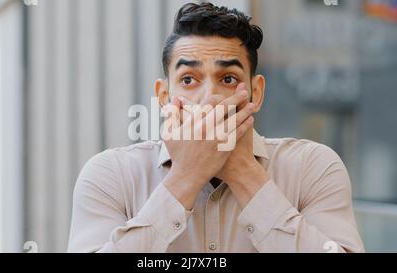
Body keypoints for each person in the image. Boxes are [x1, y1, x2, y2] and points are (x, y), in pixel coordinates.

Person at [68, 2, 364, 253]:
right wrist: (185, 176)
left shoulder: (312, 168)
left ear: (256, 93)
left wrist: (243, 171)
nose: (209, 98)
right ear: (163, 96)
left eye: (228, 79)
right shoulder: (111, 175)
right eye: (188, 80)